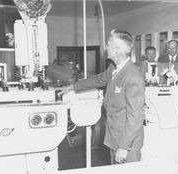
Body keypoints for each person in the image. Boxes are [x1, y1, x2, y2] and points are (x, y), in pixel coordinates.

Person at [58, 29, 145, 164]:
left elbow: (136, 117)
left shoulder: (132, 76)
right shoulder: (114, 68)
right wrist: (73, 87)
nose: (105, 47)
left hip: (127, 142)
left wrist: (124, 147)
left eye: (108, 44)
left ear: (117, 49)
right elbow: (98, 79)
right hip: (113, 137)